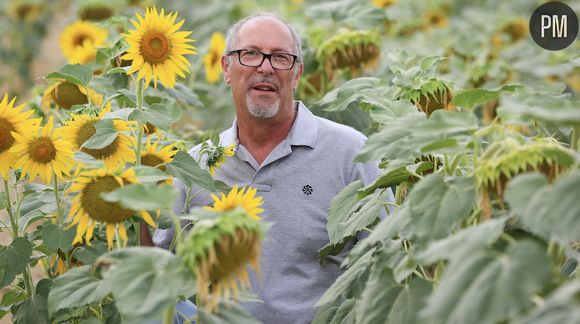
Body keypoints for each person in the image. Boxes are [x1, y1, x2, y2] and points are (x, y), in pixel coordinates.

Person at [150, 13, 392, 323]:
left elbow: (383, 262)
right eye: (250, 54)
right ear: (226, 67)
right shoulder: (196, 167)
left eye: (280, 57)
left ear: (297, 73)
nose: (265, 67)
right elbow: (160, 272)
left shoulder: (351, 153)